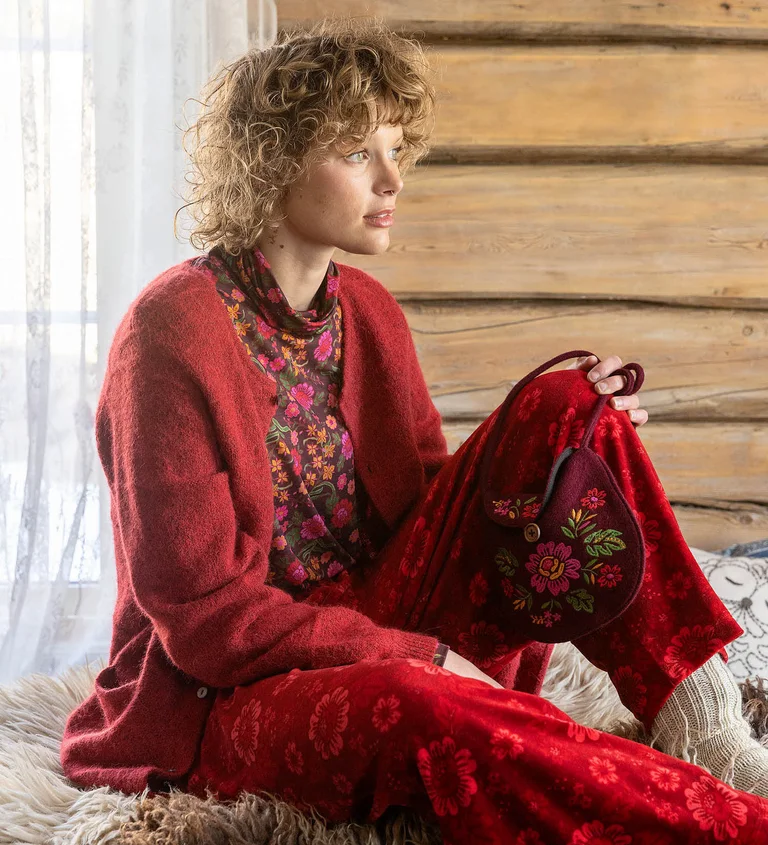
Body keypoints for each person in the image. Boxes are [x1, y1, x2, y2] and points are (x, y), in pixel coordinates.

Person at [60, 15, 768, 843]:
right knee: (417, 701)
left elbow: (437, 513)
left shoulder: (367, 310)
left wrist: (575, 430)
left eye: (396, 149)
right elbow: (207, 623)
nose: (393, 178)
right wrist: (416, 656)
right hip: (225, 690)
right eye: (357, 153)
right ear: (272, 160)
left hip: (383, 614)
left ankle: (707, 728)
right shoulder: (168, 336)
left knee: (565, 403)